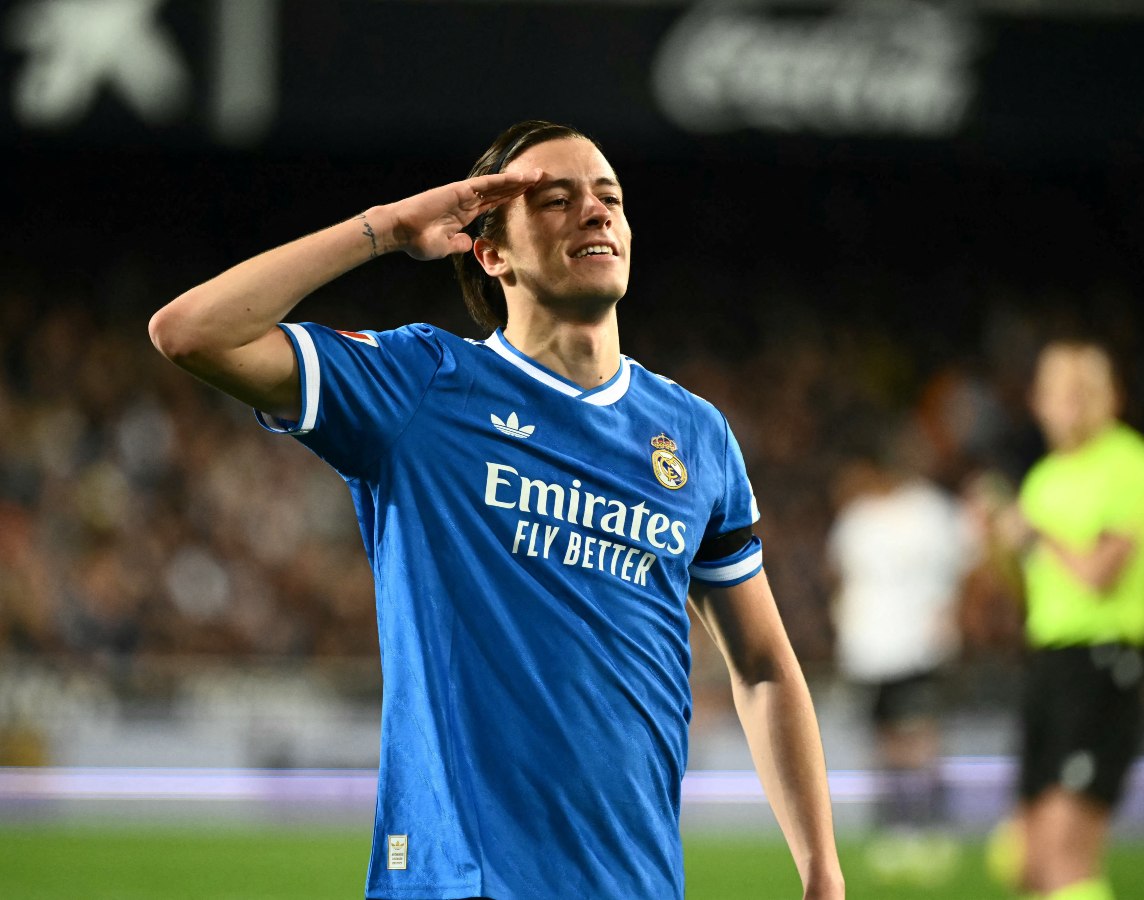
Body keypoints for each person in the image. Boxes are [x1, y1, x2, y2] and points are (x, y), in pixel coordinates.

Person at [148, 121, 843, 900]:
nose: (596, 211)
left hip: (638, 884)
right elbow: (191, 331)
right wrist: (386, 229)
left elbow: (763, 669)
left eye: (610, 196)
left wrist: (822, 872)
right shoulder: (422, 387)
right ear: (491, 250)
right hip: (462, 882)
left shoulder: (695, 437)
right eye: (556, 198)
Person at [982, 341, 1144, 900]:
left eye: (1077, 393)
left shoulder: (1134, 465)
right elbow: (1028, 592)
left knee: (1067, 854)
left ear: (1106, 398)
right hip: (1049, 664)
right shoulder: (1046, 477)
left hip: (1103, 662)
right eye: (1052, 394)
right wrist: (998, 543)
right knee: (1027, 863)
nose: (1063, 406)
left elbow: (1099, 574)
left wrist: (1036, 532)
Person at [826, 432, 973, 885]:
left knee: (917, 739)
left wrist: (949, 616)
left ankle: (929, 829)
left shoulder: (932, 512)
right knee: (887, 742)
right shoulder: (860, 518)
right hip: (870, 650)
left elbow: (964, 568)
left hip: (916, 645)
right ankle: (897, 829)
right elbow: (838, 576)